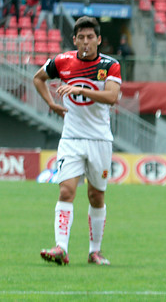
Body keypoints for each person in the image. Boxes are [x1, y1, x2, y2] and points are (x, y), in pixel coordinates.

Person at [33, 16, 122, 266]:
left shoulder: (110, 65)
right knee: (66, 190)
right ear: (74, 40)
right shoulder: (62, 61)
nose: (85, 42)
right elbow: (38, 78)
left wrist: (80, 90)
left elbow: (112, 97)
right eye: (81, 37)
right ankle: (61, 247)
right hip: (71, 138)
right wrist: (51, 104)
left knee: (96, 196)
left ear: (99, 40)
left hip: (99, 139)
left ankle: (95, 251)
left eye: (90, 37)